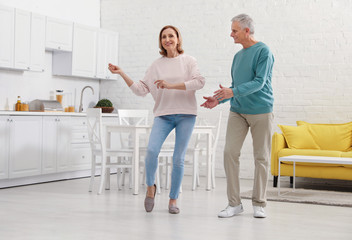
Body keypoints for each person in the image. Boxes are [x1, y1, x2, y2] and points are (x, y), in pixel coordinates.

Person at [108, 25, 205, 214]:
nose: (167, 39)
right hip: (163, 115)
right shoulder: (156, 65)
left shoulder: (189, 61)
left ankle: (173, 200)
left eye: (171, 36)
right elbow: (140, 89)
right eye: (163, 37)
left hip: (186, 114)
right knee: (151, 151)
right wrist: (122, 73)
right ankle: (150, 188)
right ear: (161, 41)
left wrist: (171, 85)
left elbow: (199, 82)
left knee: (178, 158)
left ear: (178, 38)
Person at [201, 14, 274, 218]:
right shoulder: (238, 56)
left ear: (246, 31)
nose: (231, 34)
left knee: (261, 157)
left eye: (234, 30)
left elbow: (259, 82)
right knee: (229, 153)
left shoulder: (263, 51)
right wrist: (220, 99)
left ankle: (259, 203)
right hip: (238, 112)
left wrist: (232, 93)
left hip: (261, 111)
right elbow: (234, 87)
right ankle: (234, 204)